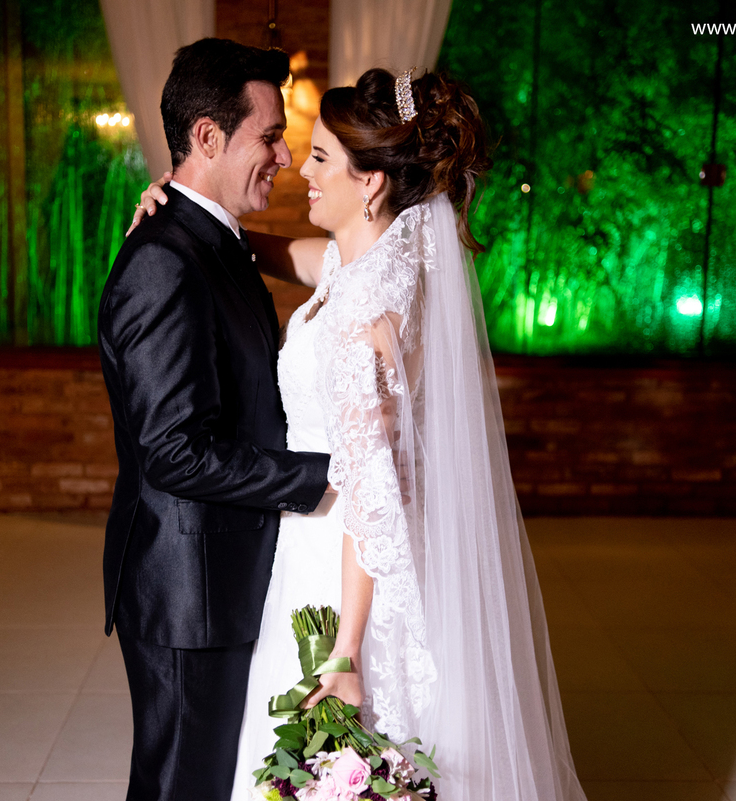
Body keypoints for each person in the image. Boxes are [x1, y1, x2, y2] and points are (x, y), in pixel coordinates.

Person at [131, 68, 587, 801]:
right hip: (333, 537)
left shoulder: (369, 321)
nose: (300, 171)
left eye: (319, 158)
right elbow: (272, 251)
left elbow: (373, 493)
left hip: (341, 558)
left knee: (336, 743)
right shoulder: (379, 261)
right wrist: (184, 207)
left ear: (370, 182)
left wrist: (345, 649)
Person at [97, 38, 333, 801]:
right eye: (271, 136)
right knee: (180, 786)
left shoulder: (217, 241)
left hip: (223, 574)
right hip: (187, 592)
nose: (284, 156)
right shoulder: (164, 260)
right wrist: (323, 479)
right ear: (206, 136)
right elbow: (173, 451)